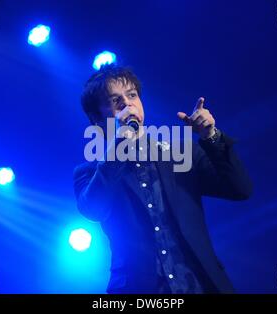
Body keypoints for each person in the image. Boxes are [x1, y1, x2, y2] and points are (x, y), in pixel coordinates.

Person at [73, 64, 252, 293]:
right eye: (115, 100)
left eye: (132, 95)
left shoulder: (180, 155)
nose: (127, 104)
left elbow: (240, 189)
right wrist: (119, 146)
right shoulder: (89, 173)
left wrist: (211, 136)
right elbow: (93, 209)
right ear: (97, 119)